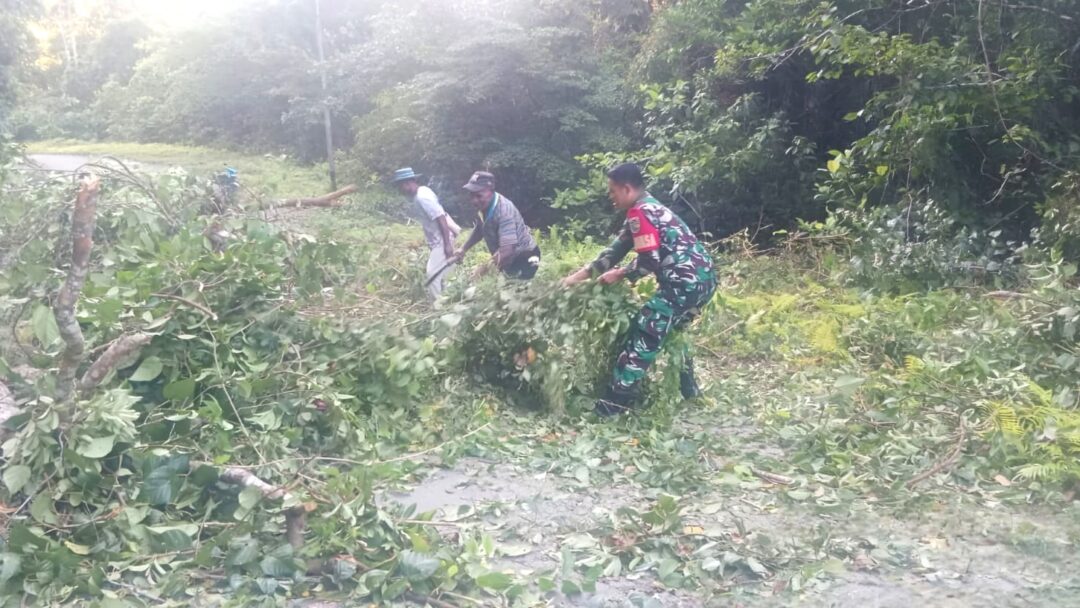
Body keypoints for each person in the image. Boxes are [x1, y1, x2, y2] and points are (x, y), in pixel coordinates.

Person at [563, 163, 716, 416]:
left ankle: (612, 406)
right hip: (705, 281)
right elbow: (614, 252)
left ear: (626, 188)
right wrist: (574, 279)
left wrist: (620, 274)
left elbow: (649, 261)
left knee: (644, 333)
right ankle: (691, 393)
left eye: (612, 191)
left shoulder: (639, 213)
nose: (610, 196)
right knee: (675, 332)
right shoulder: (649, 207)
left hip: (682, 284)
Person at [452, 171, 541, 280]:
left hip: (525, 257)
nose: (474, 200)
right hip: (508, 258)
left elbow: (507, 250)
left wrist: (482, 270)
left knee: (515, 288)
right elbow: (480, 229)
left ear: (491, 191)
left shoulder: (504, 212)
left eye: (479, 195)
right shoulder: (484, 207)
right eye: (472, 195)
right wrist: (463, 249)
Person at [392, 167, 461, 298]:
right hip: (441, 240)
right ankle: (450, 302)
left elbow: (441, 218)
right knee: (446, 275)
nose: (400, 190)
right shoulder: (422, 192)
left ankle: (438, 305)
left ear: (407, 183)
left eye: (400, 186)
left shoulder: (422, 197)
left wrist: (447, 245)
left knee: (432, 275)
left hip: (442, 241)